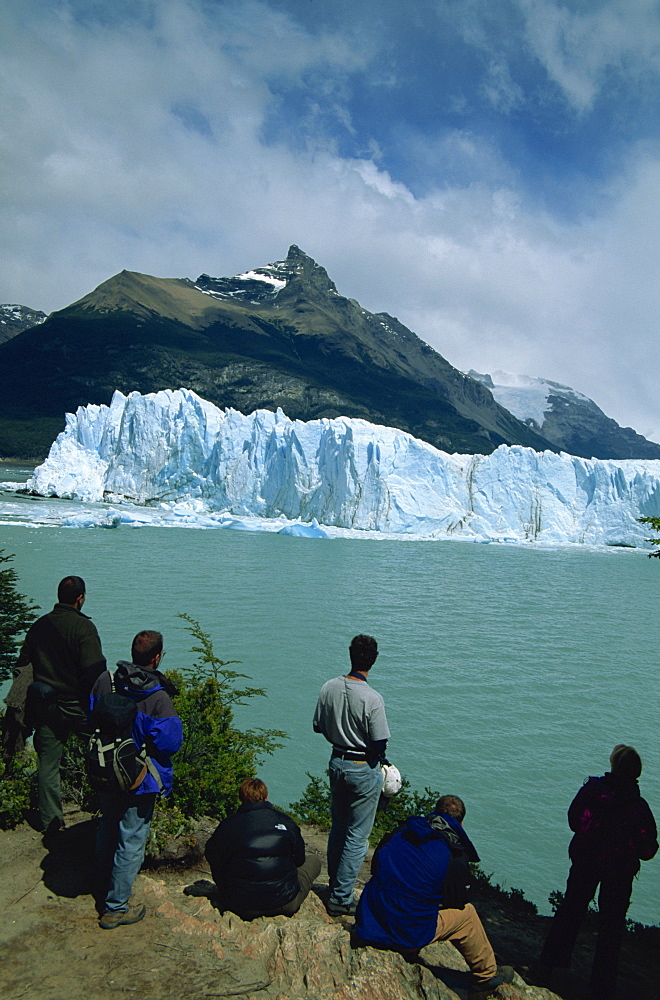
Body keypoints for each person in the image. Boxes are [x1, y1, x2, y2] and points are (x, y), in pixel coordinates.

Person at [355, 795, 514, 997]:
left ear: (434, 812)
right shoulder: (453, 853)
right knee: (467, 915)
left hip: (369, 919)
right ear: (461, 823)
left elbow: (376, 867)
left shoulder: (402, 831)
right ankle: (487, 976)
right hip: (404, 933)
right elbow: (456, 902)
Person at [536, 745, 658, 1000]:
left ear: (613, 766)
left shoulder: (592, 791)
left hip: (586, 860)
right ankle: (602, 986)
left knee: (570, 911)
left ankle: (549, 967)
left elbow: (573, 821)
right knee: (612, 927)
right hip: (619, 870)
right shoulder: (638, 806)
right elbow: (648, 849)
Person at [91, 630, 183, 928]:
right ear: (157, 657)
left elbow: (91, 713)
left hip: (105, 768)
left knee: (108, 824)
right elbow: (170, 744)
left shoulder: (107, 680)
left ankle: (102, 884)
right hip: (140, 777)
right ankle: (116, 907)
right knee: (131, 837)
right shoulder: (158, 697)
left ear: (133, 653)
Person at [16, 575, 106, 837]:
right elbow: (95, 670)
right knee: (103, 752)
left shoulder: (39, 626)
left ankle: (52, 823)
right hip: (76, 706)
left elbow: (23, 664)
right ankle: (106, 811)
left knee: (48, 764)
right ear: (80, 598)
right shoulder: (83, 628)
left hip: (45, 705)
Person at [313, 634, 390, 916]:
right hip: (362, 768)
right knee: (358, 836)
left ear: (350, 655)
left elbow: (318, 727)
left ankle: (334, 884)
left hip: (337, 761)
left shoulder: (329, 687)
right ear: (374, 660)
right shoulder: (372, 698)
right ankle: (341, 898)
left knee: (339, 827)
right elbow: (380, 741)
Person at [204, 777, 321, 919]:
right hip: (284, 903)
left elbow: (212, 855)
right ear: (266, 797)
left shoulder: (228, 825)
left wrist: (225, 883)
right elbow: (300, 860)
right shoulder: (285, 821)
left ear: (241, 798)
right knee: (314, 861)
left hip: (241, 905)